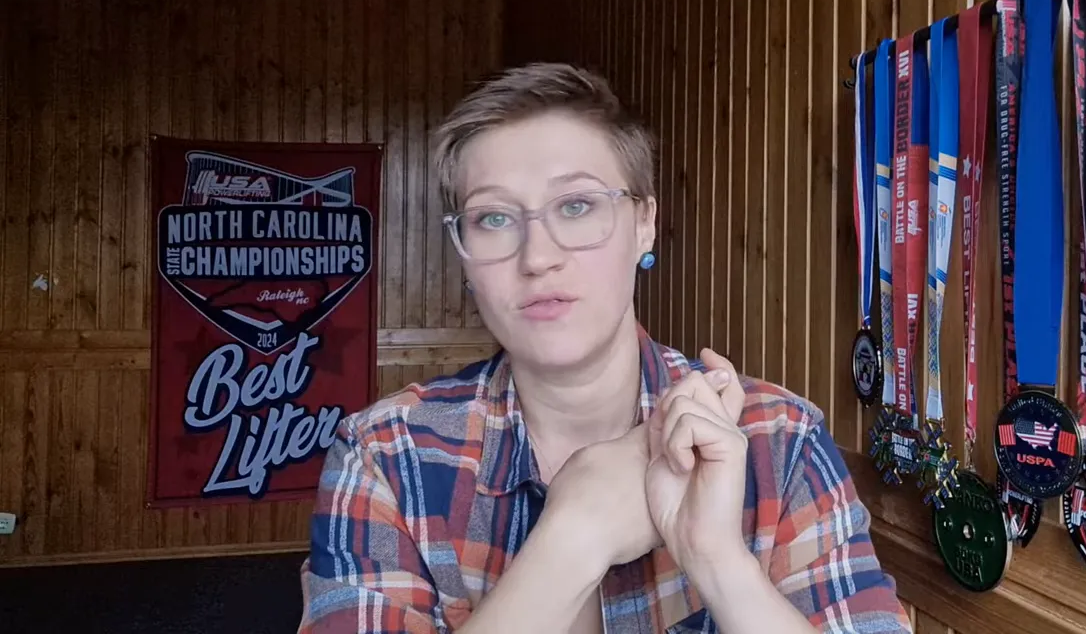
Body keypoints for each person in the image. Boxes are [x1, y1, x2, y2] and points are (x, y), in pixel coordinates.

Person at [297, 62, 911, 633]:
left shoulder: (779, 439)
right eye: (493, 219)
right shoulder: (386, 454)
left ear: (644, 222)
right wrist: (576, 535)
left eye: (577, 205)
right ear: (463, 253)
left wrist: (716, 558)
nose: (538, 257)